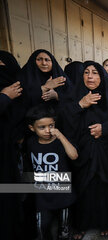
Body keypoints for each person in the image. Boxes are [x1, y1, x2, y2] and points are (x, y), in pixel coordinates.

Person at [62, 61, 108, 239]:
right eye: (86, 73)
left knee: (106, 190)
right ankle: (81, 225)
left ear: (102, 76)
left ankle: (106, 223)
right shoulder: (73, 96)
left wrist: (105, 129)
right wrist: (80, 106)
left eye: (95, 73)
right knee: (83, 190)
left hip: (107, 154)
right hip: (82, 155)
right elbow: (64, 124)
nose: (90, 76)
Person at [25, 104, 77, 240]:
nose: (48, 130)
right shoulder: (31, 143)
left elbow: (74, 156)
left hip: (63, 192)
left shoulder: (60, 141)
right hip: (42, 193)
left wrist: (60, 136)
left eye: (51, 126)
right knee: (41, 228)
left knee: (64, 230)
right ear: (32, 128)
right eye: (42, 127)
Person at [0, 50, 23, 240]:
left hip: (16, 156)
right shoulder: (6, 95)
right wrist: (4, 98)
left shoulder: (21, 94)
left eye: (2, 65)